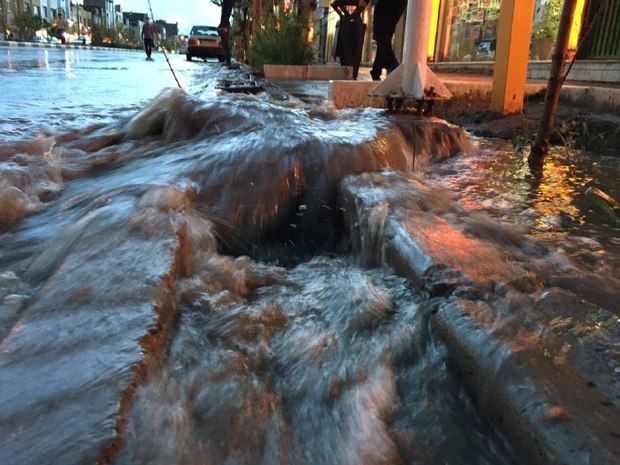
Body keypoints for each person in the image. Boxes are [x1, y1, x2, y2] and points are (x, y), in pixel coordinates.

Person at [361, 0, 407, 81]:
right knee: (385, 37)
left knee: (381, 35)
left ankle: (391, 64)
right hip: (400, 3)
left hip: (386, 3)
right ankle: (376, 70)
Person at [218, 0, 234, 65]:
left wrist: (223, 25)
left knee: (225, 42)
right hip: (224, 23)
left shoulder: (228, 1)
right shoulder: (226, 1)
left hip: (225, 24)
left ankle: (228, 61)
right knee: (224, 42)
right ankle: (227, 60)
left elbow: (227, 13)